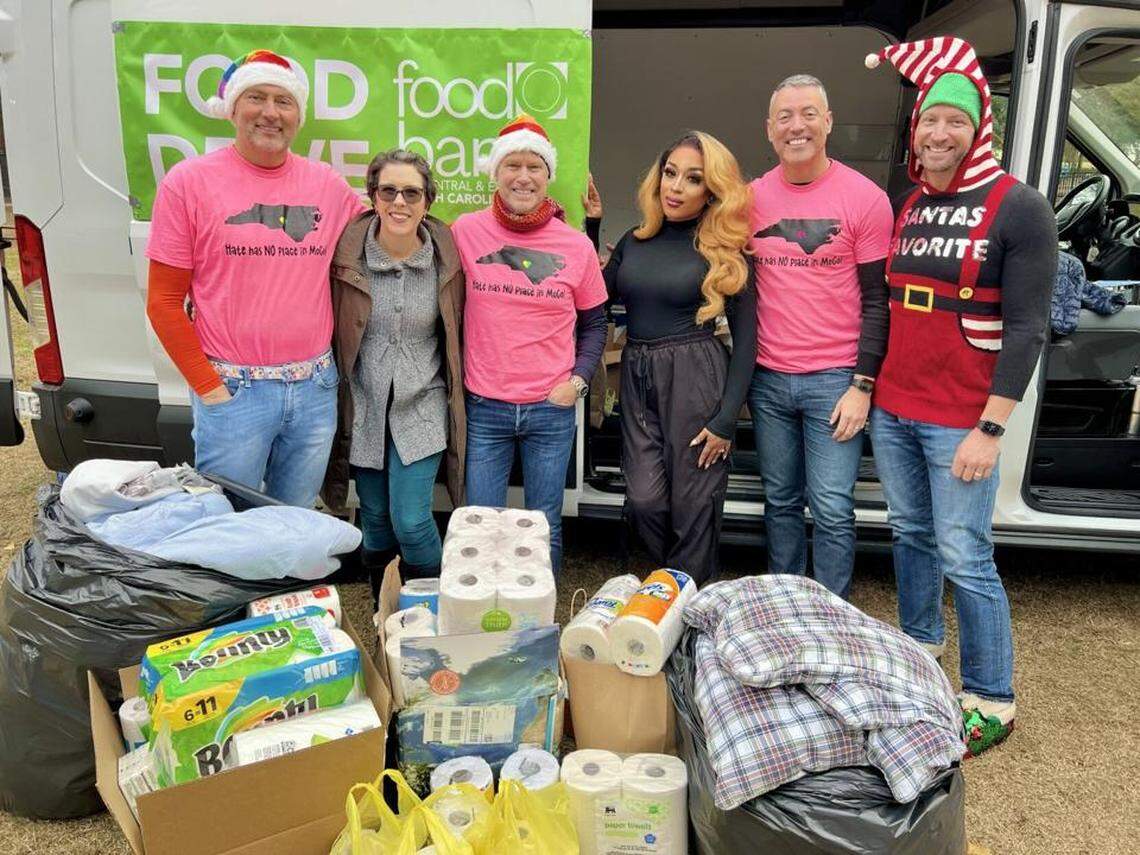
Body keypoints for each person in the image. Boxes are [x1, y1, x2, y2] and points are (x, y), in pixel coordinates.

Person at [865, 38, 1057, 755]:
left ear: (978, 129)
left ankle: (992, 696)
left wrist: (990, 427)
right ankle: (921, 644)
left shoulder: (1019, 207)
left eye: (953, 121)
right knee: (911, 534)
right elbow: (891, 302)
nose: (938, 133)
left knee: (966, 552)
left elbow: (1028, 328)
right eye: (927, 121)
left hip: (962, 419)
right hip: (896, 407)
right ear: (915, 132)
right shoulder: (911, 202)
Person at [145, 50, 362, 507]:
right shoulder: (188, 183)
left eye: (284, 101)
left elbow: (386, 235)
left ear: (298, 116)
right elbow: (163, 302)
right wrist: (209, 389)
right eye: (256, 98)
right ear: (232, 108)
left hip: (314, 390)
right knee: (225, 525)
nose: (270, 112)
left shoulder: (325, 184)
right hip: (233, 393)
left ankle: (286, 585)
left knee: (294, 521)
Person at [747, 74, 894, 598]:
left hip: (836, 379)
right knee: (781, 499)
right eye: (785, 116)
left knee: (832, 505)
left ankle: (830, 608)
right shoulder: (751, 199)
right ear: (769, 129)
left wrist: (863, 384)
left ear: (828, 122)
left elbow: (879, 301)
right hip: (768, 379)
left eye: (809, 113)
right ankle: (786, 601)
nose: (797, 126)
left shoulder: (866, 199)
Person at [451, 114, 608, 571]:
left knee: (543, 525)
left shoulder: (575, 245)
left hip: (549, 407)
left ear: (548, 176)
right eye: (512, 166)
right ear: (495, 174)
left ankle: (540, 625)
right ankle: (480, 615)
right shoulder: (465, 231)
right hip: (485, 406)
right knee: (480, 523)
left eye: (534, 167)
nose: (523, 176)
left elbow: (596, 324)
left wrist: (577, 383)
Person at [600, 132, 756, 584]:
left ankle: (686, 618)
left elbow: (747, 342)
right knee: (645, 497)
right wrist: (593, 227)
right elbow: (598, 297)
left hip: (696, 374)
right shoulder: (636, 239)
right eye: (670, 173)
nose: (676, 187)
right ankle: (667, 592)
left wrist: (726, 420)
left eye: (692, 179)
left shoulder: (725, 251)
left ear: (712, 192)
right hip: (637, 371)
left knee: (694, 506)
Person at [321, 150, 465, 598]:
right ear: (373, 197)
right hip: (364, 405)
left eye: (412, 192)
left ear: (427, 202)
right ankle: (384, 600)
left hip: (420, 405)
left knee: (412, 518)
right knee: (376, 519)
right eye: (389, 190)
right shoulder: (347, 259)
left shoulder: (447, 261)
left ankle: (434, 602)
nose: (399, 202)